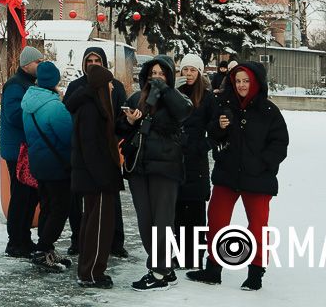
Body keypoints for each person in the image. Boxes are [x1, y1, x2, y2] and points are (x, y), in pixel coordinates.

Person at [187, 61, 289, 292]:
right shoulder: (224, 104)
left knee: (258, 227)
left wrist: (263, 164)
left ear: (255, 83)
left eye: (246, 81)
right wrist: (219, 127)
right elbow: (212, 132)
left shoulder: (269, 111)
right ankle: (213, 269)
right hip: (228, 175)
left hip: (258, 179)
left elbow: (279, 144)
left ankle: (256, 272)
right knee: (216, 221)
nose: (242, 85)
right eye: (238, 81)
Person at [117, 54, 191, 290]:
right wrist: (129, 122)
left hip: (165, 167)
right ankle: (164, 267)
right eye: (153, 74)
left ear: (169, 76)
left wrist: (164, 91)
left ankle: (158, 272)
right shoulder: (137, 97)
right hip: (138, 167)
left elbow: (183, 113)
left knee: (162, 220)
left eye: (161, 73)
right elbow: (120, 129)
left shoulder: (177, 99)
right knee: (145, 220)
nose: (156, 78)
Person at [64, 47, 129, 259]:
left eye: (97, 60)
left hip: (109, 149)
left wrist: (124, 127)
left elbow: (118, 117)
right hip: (87, 153)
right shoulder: (77, 88)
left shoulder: (115, 87)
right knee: (84, 204)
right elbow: (71, 117)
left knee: (108, 204)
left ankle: (114, 241)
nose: (92, 64)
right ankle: (80, 242)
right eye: (89, 60)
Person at [22, 61, 74, 271]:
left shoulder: (27, 102)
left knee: (46, 205)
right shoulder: (55, 107)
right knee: (60, 208)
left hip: (38, 162)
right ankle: (44, 248)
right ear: (55, 81)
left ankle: (45, 248)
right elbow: (68, 137)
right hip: (58, 165)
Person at [174, 53, 217, 271]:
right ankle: (179, 255)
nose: (188, 74)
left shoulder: (207, 98)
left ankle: (194, 257)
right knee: (177, 211)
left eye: (193, 70)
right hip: (175, 160)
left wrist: (204, 145)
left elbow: (216, 127)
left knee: (196, 214)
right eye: (185, 69)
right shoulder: (174, 94)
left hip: (196, 162)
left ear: (199, 73)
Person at [1, 45, 44, 257]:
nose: (41, 65)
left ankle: (23, 238)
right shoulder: (15, 86)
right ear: (26, 64)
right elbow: (14, 116)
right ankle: (16, 241)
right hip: (17, 150)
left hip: (26, 148)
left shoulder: (26, 84)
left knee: (28, 195)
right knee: (21, 195)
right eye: (38, 62)